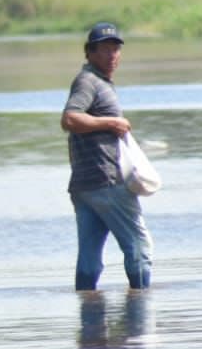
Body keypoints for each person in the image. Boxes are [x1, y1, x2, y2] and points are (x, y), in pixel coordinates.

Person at [61, 22, 152, 291]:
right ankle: (141, 314)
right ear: (89, 53)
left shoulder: (98, 82)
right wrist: (111, 123)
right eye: (105, 50)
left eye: (116, 50)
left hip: (85, 185)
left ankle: (88, 321)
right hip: (106, 181)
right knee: (138, 244)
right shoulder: (89, 81)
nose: (112, 55)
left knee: (89, 259)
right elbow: (70, 118)